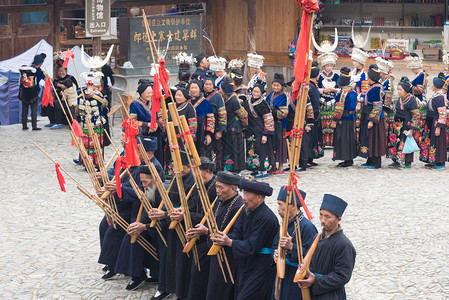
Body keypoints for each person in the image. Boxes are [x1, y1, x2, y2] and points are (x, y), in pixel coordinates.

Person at [211, 178, 279, 300]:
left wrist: (229, 242)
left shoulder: (267, 218)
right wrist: (222, 238)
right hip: (245, 265)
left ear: (259, 197)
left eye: (247, 194)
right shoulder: (245, 210)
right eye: (243, 193)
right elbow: (238, 235)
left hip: (260, 267)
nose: (243, 197)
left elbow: (252, 245)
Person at [297, 194, 356, 300]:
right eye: (321, 215)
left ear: (338, 219)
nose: (322, 220)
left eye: (327, 216)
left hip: (332, 295)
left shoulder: (344, 245)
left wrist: (316, 280)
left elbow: (342, 276)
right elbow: (309, 262)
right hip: (313, 292)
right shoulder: (317, 238)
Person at [114, 164, 161, 291]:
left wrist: (144, 227)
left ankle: (147, 275)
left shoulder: (163, 192)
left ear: (154, 179)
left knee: (136, 237)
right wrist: (139, 223)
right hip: (150, 226)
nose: (143, 185)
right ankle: (137, 273)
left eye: (145, 182)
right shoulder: (149, 190)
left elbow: (166, 217)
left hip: (163, 230)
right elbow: (147, 211)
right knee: (132, 233)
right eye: (142, 182)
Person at [201, 171, 244, 300]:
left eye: (221, 187)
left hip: (228, 256)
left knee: (221, 290)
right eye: (216, 187)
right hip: (214, 250)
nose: (217, 191)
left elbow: (238, 234)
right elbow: (212, 222)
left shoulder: (238, 205)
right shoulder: (219, 200)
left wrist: (207, 232)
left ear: (232, 188)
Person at [271, 186, 318, 300]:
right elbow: (274, 245)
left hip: (296, 279)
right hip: (281, 275)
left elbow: (312, 256)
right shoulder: (283, 223)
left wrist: (292, 247)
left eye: (280, 204)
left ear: (292, 205)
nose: (278, 208)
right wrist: (275, 254)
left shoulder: (307, 227)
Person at [185, 157, 217, 300]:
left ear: (207, 171)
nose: (194, 174)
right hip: (196, 229)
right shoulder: (198, 184)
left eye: (197, 171)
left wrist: (188, 214)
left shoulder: (215, 187)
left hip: (208, 233)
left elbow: (211, 215)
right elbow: (193, 204)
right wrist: (183, 211)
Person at [129, 79, 165, 167]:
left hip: (156, 133)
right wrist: (147, 125)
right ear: (141, 93)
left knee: (157, 155)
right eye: (147, 93)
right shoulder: (134, 104)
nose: (150, 95)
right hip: (143, 134)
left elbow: (162, 116)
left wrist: (157, 124)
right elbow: (132, 121)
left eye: (151, 92)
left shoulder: (156, 101)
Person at [357, 64, 386, 169]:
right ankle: (369, 160)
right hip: (368, 114)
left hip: (374, 118)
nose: (367, 79)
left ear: (372, 78)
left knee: (374, 139)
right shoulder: (373, 87)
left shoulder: (376, 89)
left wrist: (372, 120)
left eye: (368, 77)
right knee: (369, 138)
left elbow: (378, 106)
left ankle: (376, 162)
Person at [242, 83, 274, 177]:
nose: (255, 93)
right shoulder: (247, 102)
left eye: (257, 92)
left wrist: (266, 134)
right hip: (250, 131)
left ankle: (263, 170)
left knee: (261, 150)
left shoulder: (263, 104)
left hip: (260, 131)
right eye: (254, 91)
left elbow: (268, 119)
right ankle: (253, 168)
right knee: (251, 149)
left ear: (261, 93)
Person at [77, 71, 108, 168]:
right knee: (97, 145)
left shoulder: (80, 96)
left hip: (85, 124)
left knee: (87, 145)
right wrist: (100, 95)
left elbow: (78, 109)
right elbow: (105, 103)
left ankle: (87, 164)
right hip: (96, 124)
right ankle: (98, 163)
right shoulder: (97, 96)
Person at [388, 77, 420, 169]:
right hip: (398, 124)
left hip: (407, 124)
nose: (398, 91)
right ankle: (396, 160)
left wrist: (411, 129)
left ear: (406, 90)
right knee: (396, 141)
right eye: (397, 89)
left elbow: (416, 115)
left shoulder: (412, 100)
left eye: (400, 90)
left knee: (405, 142)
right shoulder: (400, 99)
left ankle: (407, 162)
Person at [220, 77, 248, 173]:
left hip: (235, 130)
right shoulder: (225, 99)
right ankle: (228, 168)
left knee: (235, 151)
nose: (219, 90)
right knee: (229, 150)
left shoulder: (233, 101)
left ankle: (236, 170)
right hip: (228, 129)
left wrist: (244, 127)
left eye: (221, 89)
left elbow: (243, 115)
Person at [419, 73, 447, 169]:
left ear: (435, 86)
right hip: (431, 122)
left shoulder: (440, 98)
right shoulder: (436, 95)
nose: (431, 86)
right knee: (431, 141)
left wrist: (438, 127)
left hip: (436, 123)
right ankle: (432, 160)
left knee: (437, 142)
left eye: (432, 84)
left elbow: (442, 113)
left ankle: (439, 162)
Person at [266, 73, 289, 174]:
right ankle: (273, 165)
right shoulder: (271, 94)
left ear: (281, 86)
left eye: (277, 85)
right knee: (271, 145)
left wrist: (273, 112)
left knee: (280, 145)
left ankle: (280, 167)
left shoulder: (283, 96)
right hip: (271, 124)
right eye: (274, 85)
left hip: (280, 124)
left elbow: (283, 113)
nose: (275, 87)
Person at [203, 76, 227, 170]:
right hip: (204, 125)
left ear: (213, 86)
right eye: (206, 84)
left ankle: (217, 169)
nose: (208, 86)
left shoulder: (218, 96)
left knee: (217, 149)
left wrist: (220, 130)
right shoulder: (201, 95)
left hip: (216, 126)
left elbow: (223, 114)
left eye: (210, 84)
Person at [317, 49, 339, 147]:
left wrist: (334, 90)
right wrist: (323, 90)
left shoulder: (336, 76)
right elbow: (316, 88)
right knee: (323, 122)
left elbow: (340, 89)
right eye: (327, 66)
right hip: (322, 102)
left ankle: (331, 141)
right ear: (323, 66)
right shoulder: (319, 77)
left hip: (332, 102)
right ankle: (323, 142)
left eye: (331, 66)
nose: (329, 68)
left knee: (331, 121)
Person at [405, 53, 428, 150]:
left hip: (419, 100)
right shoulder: (417, 75)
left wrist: (410, 86)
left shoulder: (421, 75)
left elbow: (420, 90)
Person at [18, 53, 46, 131]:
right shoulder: (39, 71)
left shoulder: (26, 70)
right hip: (34, 93)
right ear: (41, 63)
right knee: (34, 110)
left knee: (24, 110)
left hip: (24, 92)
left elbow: (21, 81)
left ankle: (24, 126)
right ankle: (34, 126)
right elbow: (45, 78)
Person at [376, 57, 395, 161]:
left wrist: (385, 110)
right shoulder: (383, 80)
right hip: (381, 108)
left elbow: (388, 97)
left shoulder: (389, 82)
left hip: (386, 109)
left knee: (387, 130)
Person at [49, 62, 79, 129]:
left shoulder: (71, 78)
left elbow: (75, 87)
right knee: (50, 104)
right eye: (59, 71)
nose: (61, 73)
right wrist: (59, 85)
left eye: (63, 71)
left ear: (66, 71)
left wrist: (65, 89)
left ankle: (60, 123)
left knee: (58, 104)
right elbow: (53, 83)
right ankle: (52, 121)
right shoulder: (57, 79)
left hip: (69, 99)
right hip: (59, 98)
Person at [189, 80, 215, 157]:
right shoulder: (187, 102)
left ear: (200, 89)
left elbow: (211, 119)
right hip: (190, 131)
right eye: (192, 88)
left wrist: (208, 134)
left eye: (195, 88)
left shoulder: (205, 102)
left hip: (201, 131)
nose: (193, 90)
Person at [308, 62, 324, 164]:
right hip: (313, 115)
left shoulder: (313, 85)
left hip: (315, 113)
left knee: (314, 136)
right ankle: (309, 157)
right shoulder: (311, 86)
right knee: (312, 136)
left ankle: (311, 157)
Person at [101, 52, 115, 147]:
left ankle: (105, 139)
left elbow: (111, 77)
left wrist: (112, 85)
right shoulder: (93, 68)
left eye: (103, 55)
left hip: (104, 89)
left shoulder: (107, 67)